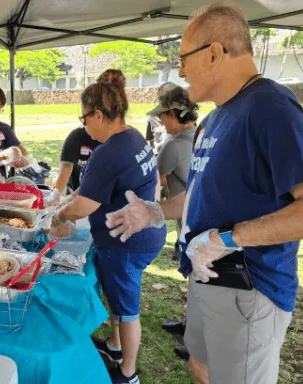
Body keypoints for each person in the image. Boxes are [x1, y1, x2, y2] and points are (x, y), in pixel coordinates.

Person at [106, 3, 303, 384]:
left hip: (250, 286)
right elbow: (202, 192)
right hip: (207, 275)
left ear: (214, 52)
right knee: (201, 367)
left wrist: (227, 238)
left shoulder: (271, 108)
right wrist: (155, 212)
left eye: (184, 58)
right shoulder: (214, 117)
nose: (179, 71)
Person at [54, 79, 167, 384]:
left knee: (127, 308)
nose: (84, 125)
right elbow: (95, 190)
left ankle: (127, 373)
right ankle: (115, 347)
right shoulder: (131, 137)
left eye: (84, 118)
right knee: (117, 297)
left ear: (99, 115)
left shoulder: (109, 152)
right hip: (142, 232)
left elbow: (84, 207)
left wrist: (59, 214)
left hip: (128, 242)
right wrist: (71, 198)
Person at [147, 85, 199, 260]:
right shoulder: (203, 135)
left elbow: (156, 183)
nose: (161, 119)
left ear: (173, 114)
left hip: (189, 219)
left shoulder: (173, 145)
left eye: (162, 114)